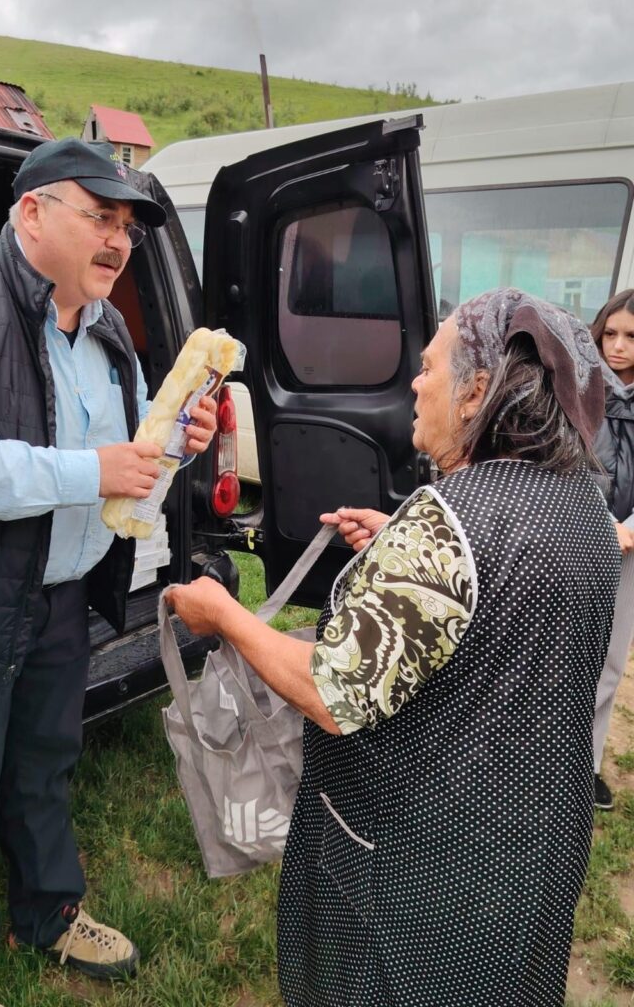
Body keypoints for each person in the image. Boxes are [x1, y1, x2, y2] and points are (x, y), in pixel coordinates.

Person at [167, 288, 619, 1007]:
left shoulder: (445, 524)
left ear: (474, 394)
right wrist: (398, 549)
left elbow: (333, 693)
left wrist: (224, 615)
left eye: (430, 366)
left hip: (419, 866)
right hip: (535, 841)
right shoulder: (585, 505)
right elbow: (505, 607)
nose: (414, 381)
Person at [0, 138, 217, 1007]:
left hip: (62, 596)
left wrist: (177, 441)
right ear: (32, 212)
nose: (119, 242)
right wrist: (89, 472)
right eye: (101, 217)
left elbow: (121, 454)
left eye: (129, 227)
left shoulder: (103, 325)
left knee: (44, 767)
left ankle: (48, 912)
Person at [590, 288, 634, 810]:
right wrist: (604, 522)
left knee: (611, 661)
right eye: (610, 334)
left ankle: (590, 763)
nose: (618, 347)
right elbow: (564, 460)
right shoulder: (580, 388)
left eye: (631, 337)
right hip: (581, 534)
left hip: (630, 553)